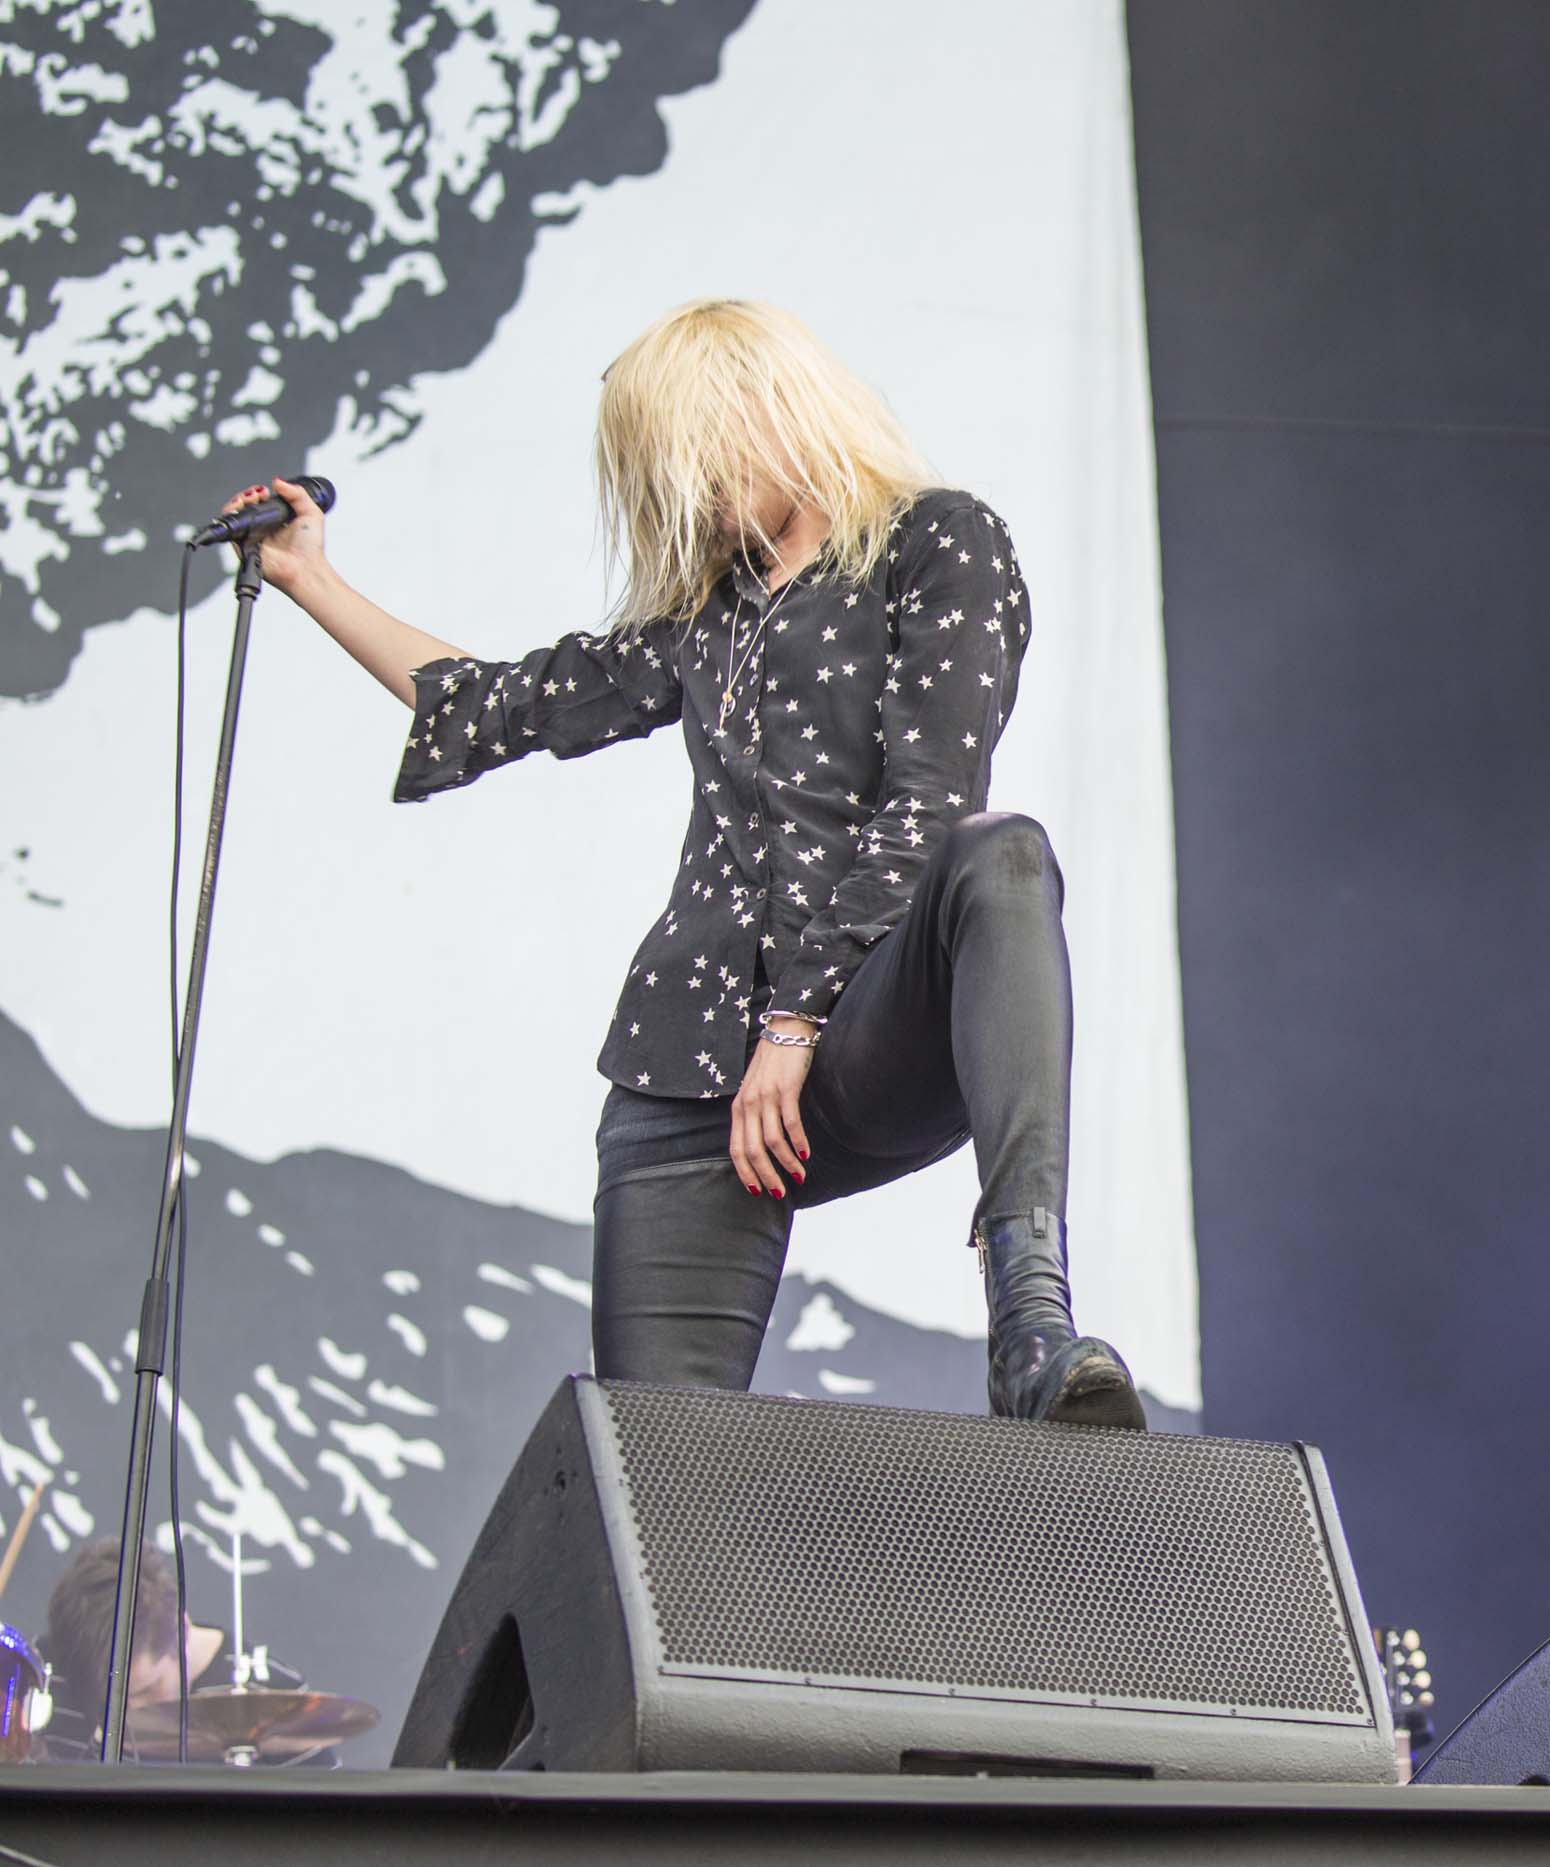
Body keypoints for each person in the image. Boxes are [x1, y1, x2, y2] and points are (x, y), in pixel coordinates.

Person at [229, 299, 1140, 1427]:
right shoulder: (710, 615)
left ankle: (1030, 1317)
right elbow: (493, 703)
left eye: (697, 458)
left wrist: (795, 1024)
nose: (692, 497)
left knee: (1000, 855)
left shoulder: (937, 540)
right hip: (686, 1066)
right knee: (652, 1476)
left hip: (858, 1023)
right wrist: (307, 576)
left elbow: (929, 801)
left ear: (773, 407)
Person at [41, 1539, 310, 1754]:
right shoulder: (49, 1670)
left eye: (146, 1689)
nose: (127, 1712)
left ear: (181, 1632)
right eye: (108, 1697)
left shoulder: (271, 1694)